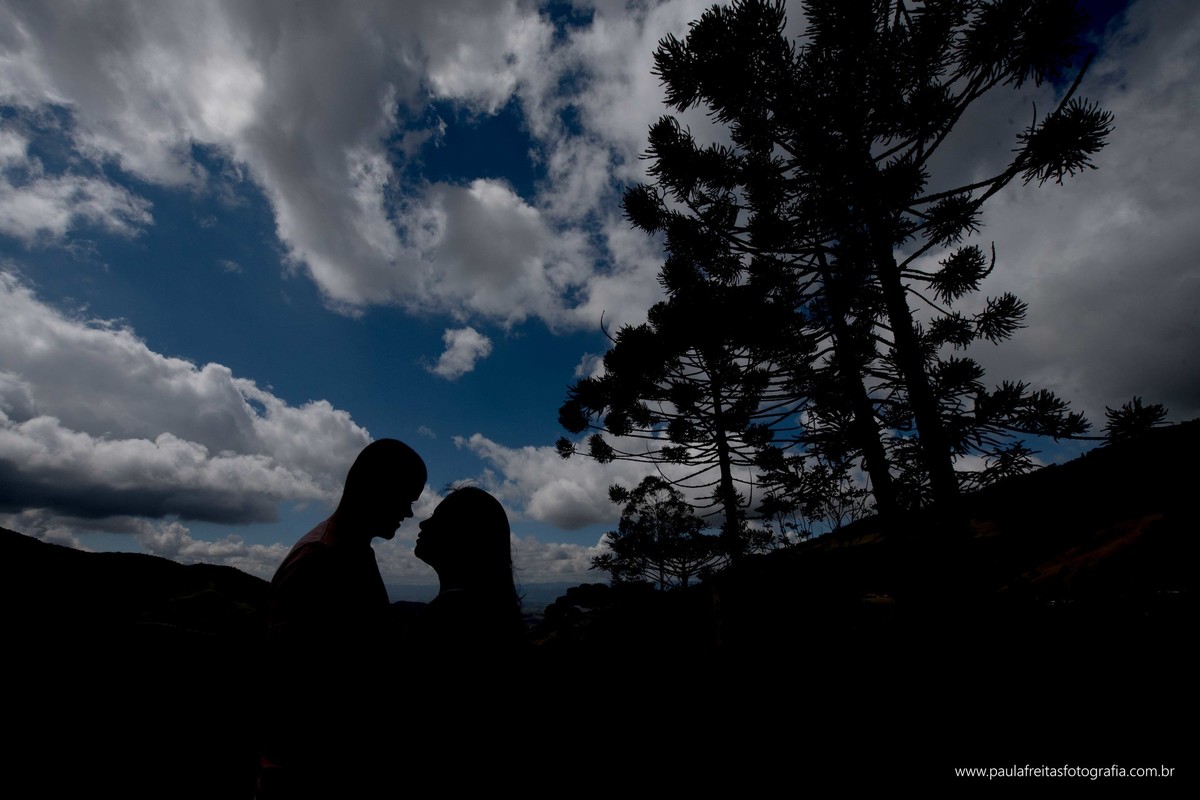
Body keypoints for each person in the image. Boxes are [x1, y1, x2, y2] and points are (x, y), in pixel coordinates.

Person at [257, 438, 426, 800]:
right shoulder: (320, 558)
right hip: (307, 780)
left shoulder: (350, 551)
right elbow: (291, 685)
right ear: (376, 487)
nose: (409, 513)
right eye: (407, 498)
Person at [408, 486, 527, 658]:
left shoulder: (447, 619)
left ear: (464, 535)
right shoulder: (490, 615)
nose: (423, 523)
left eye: (438, 518)